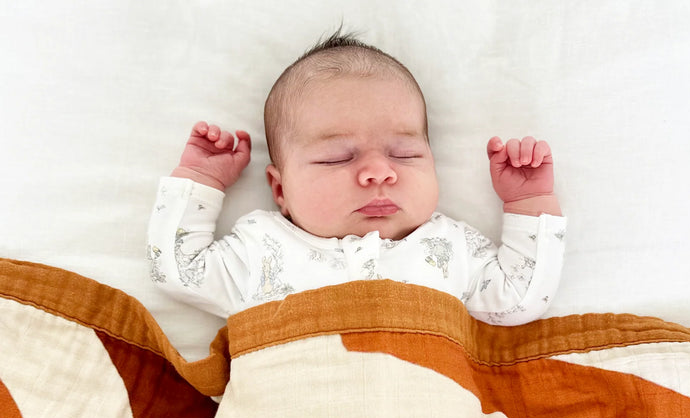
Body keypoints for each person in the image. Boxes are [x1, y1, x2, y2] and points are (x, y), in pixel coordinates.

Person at [147, 31, 566, 325]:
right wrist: (201, 179)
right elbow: (180, 271)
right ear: (280, 189)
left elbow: (518, 300)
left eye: (405, 154)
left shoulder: (449, 248)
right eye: (335, 159)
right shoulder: (263, 247)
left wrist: (527, 203)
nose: (379, 172)